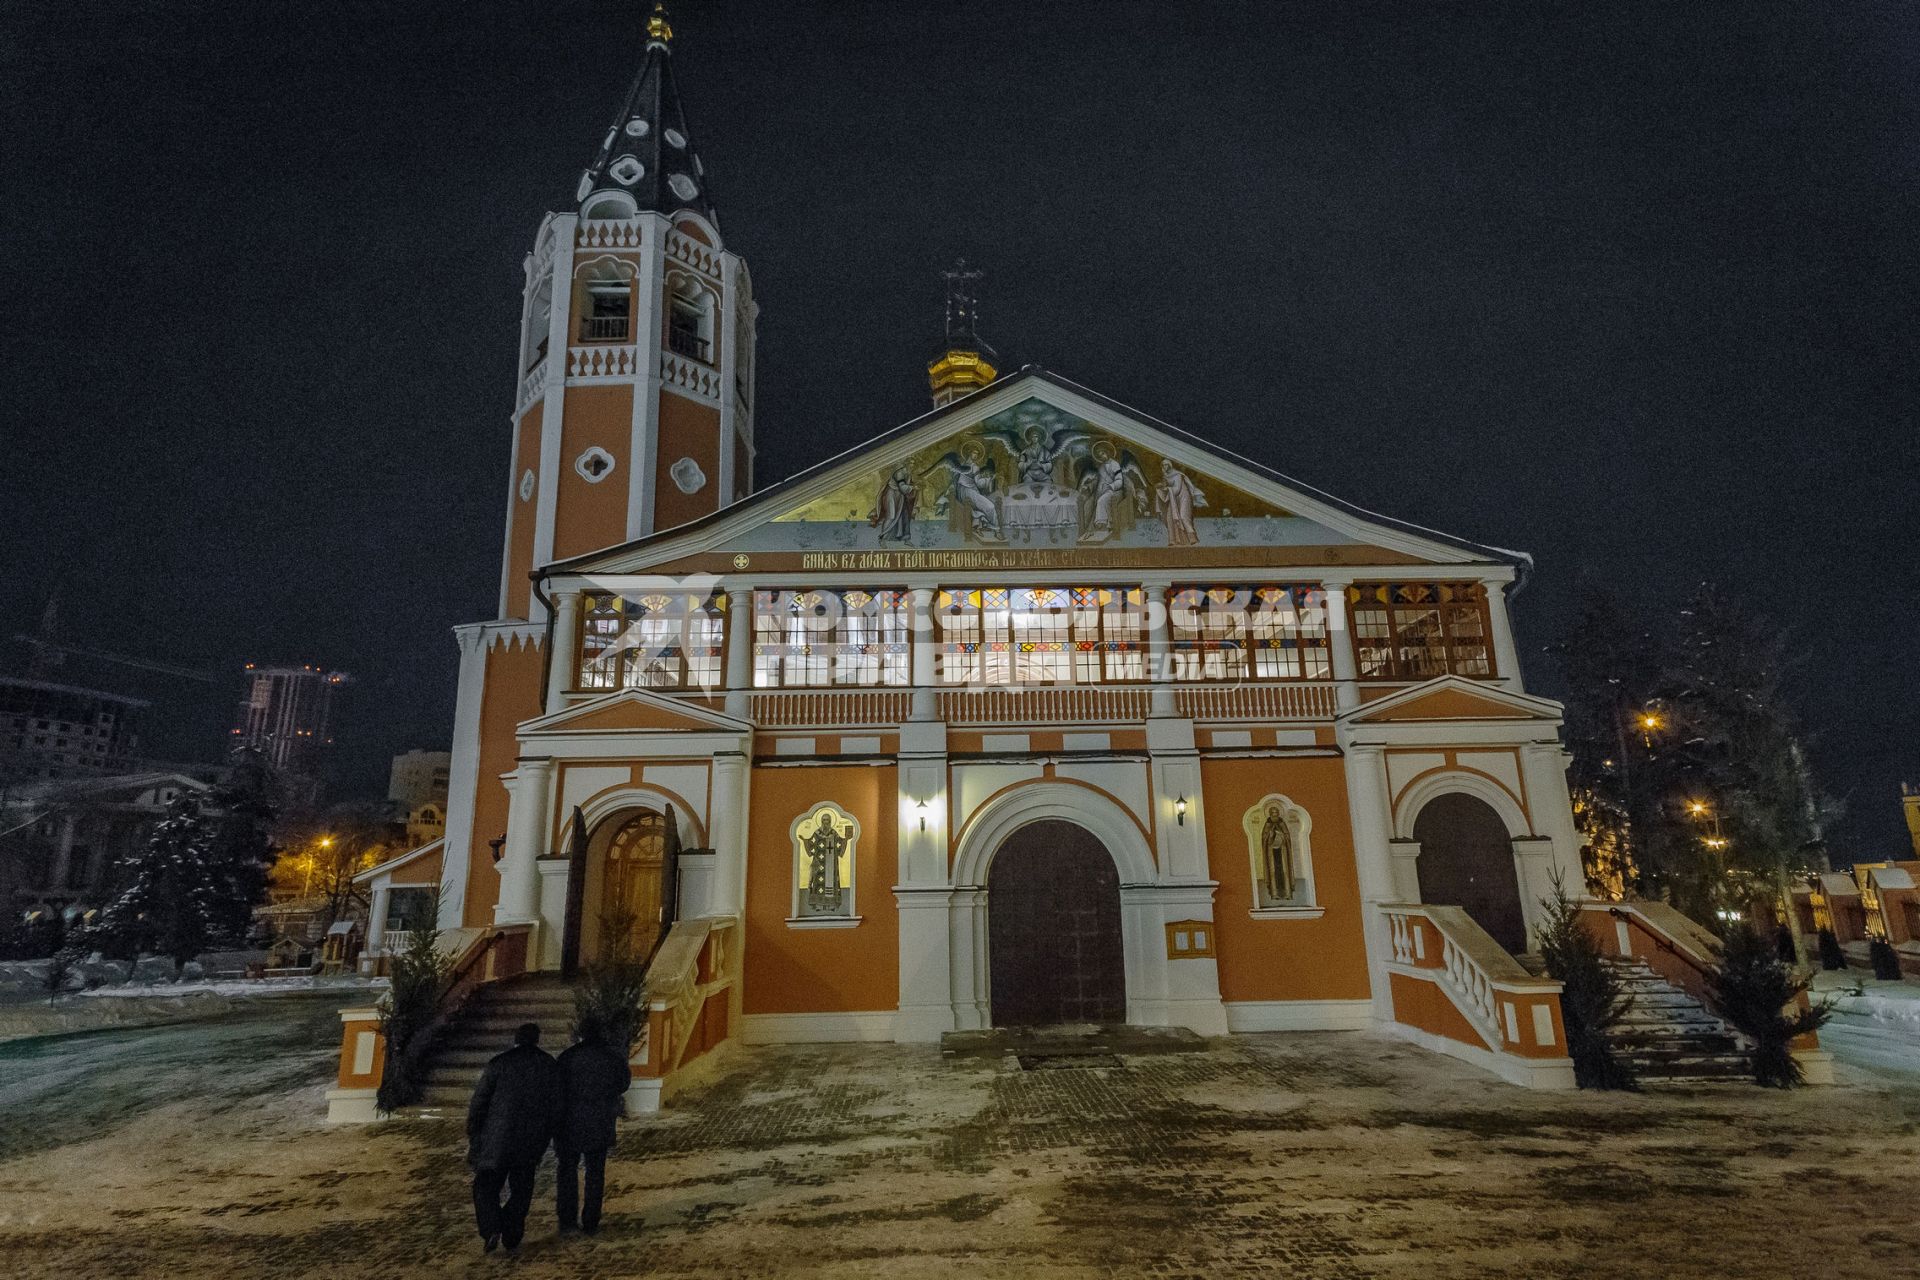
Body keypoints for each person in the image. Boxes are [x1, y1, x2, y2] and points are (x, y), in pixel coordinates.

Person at [467, 1021, 563, 1253]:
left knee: (485, 1186)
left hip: (496, 1139)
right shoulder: (548, 1065)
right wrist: (548, 1134)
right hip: (530, 1140)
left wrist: (475, 1134)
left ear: (516, 1039)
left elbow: (479, 1104)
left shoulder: (499, 1064)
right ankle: (512, 1232)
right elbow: (556, 1105)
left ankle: (491, 1227)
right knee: (522, 1189)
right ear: (537, 1039)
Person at [555, 1018, 632, 1235]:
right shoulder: (612, 1058)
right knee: (595, 1173)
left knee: (566, 1172)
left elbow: (556, 1088)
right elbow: (624, 1083)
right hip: (600, 1121)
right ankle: (591, 1220)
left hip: (569, 1124)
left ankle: (567, 1220)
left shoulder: (567, 1058)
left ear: (581, 1035)